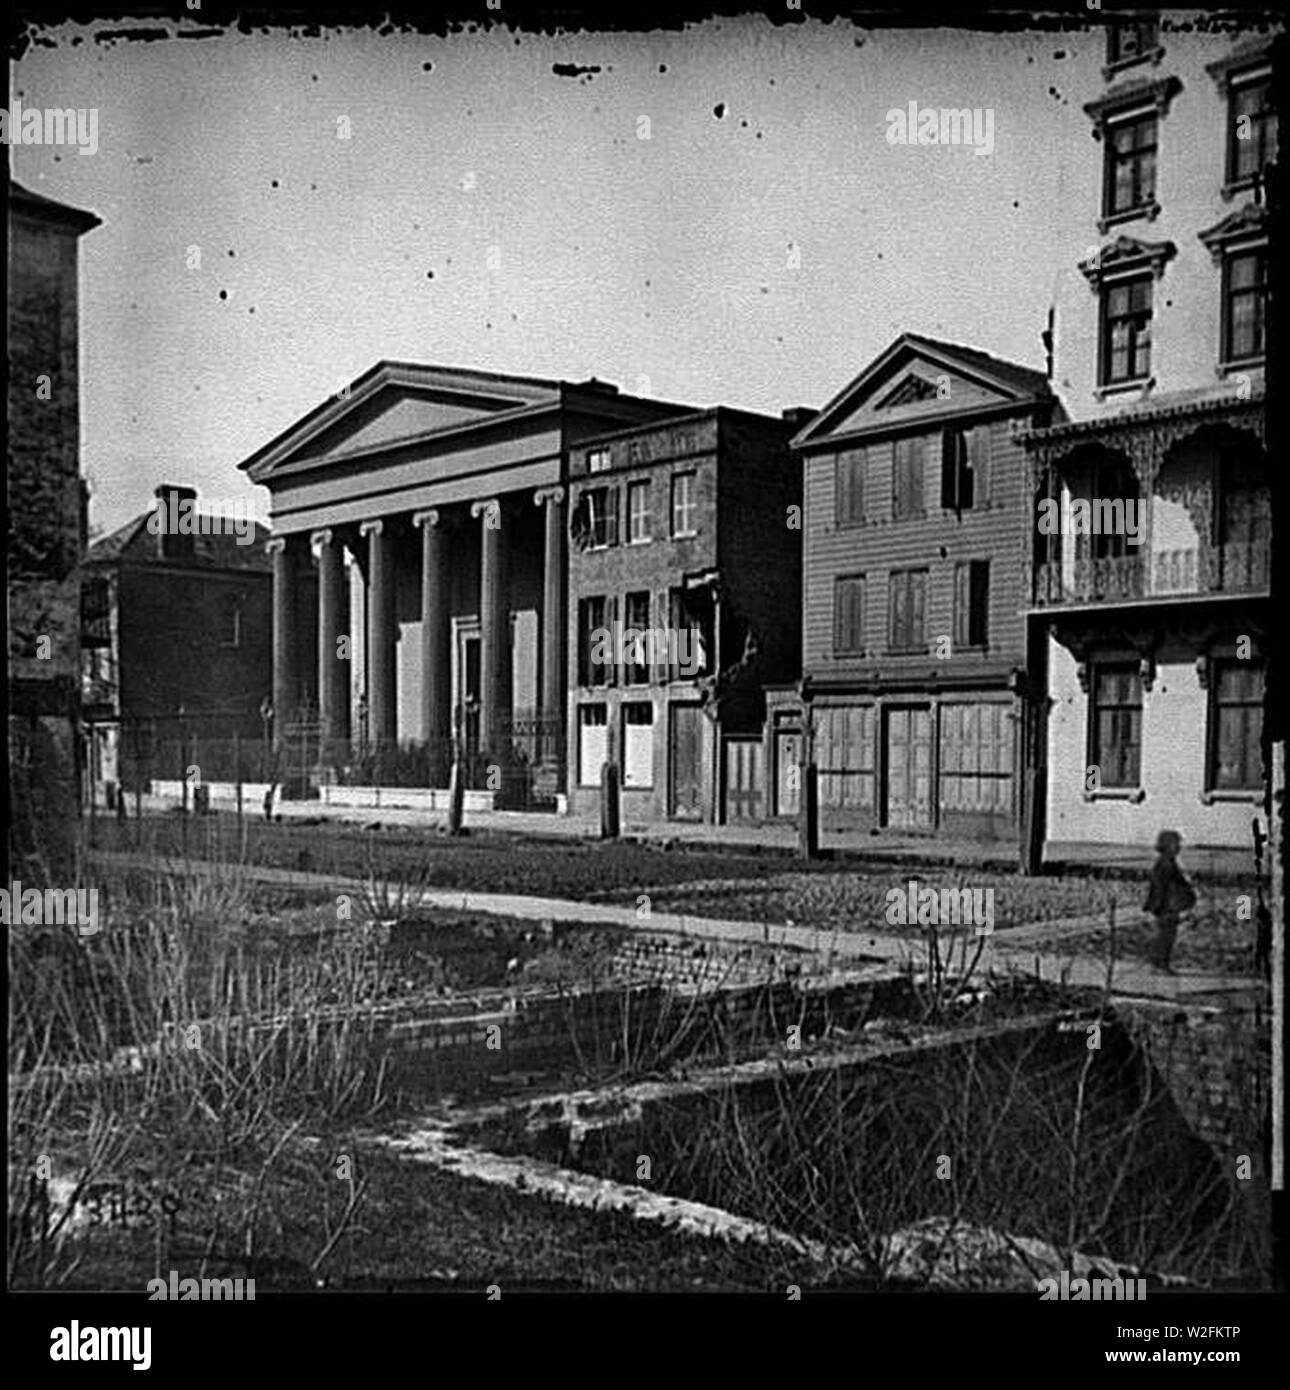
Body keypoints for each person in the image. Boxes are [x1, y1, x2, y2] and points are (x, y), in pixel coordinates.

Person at [1143, 829, 1195, 972]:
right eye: (1176, 843)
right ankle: (1160, 964)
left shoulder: (1168, 862)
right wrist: (1157, 907)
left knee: (1166, 935)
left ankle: (1161, 963)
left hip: (1168, 906)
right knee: (1166, 936)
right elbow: (1161, 887)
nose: (1179, 847)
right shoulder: (1166, 864)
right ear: (1168, 845)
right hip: (1167, 907)